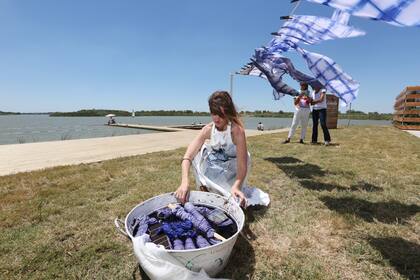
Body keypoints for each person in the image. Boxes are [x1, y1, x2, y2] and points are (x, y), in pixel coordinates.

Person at [175, 91, 269, 208]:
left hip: (235, 169)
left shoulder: (237, 131)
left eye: (221, 114)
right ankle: (207, 186)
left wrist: (237, 185)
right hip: (217, 164)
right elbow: (187, 157)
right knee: (198, 153)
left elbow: (242, 165)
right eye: (214, 113)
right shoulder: (208, 129)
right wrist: (184, 182)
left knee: (232, 201)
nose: (216, 118)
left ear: (228, 112)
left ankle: (228, 187)